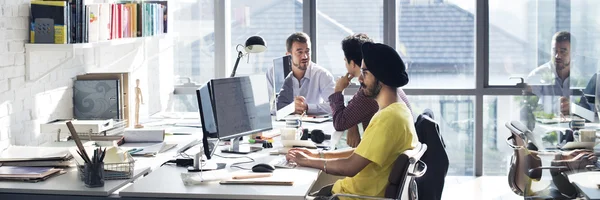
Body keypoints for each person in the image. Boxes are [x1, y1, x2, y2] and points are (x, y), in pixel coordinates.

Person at [287, 42, 417, 199]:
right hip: (348, 192)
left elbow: (350, 167)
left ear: (380, 77)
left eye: (365, 73)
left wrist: (308, 161)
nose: (360, 78)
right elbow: (361, 152)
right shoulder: (398, 110)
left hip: (348, 197)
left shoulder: (388, 119)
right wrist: (317, 155)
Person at [330, 33, 413, 148]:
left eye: (345, 60)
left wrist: (338, 91)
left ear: (352, 63)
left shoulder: (371, 91)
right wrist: (352, 124)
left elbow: (340, 123)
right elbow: (354, 111)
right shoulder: (385, 80)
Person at [276, 32, 336, 115]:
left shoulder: (322, 74)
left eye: (307, 51)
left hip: (313, 126)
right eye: (299, 52)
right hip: (282, 125)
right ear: (288, 55)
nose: (305, 57)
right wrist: (290, 108)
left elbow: (334, 106)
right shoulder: (275, 74)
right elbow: (265, 107)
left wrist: (307, 107)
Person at [526, 31, 574, 117]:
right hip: (545, 128)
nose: (557, 56)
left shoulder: (581, 77)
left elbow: (591, 108)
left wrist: (573, 108)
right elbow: (529, 109)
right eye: (554, 51)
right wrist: (556, 108)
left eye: (563, 51)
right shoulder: (537, 75)